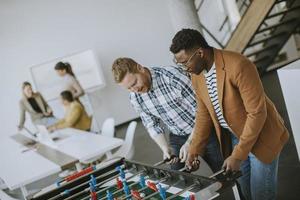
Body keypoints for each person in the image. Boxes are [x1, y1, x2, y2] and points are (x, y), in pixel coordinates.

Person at [169, 28, 289, 200]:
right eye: (179, 63)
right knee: (246, 193)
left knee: (261, 195)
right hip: (235, 136)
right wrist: (195, 150)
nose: (184, 68)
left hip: (261, 136)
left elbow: (257, 113)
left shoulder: (239, 64)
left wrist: (237, 155)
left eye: (185, 62)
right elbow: (204, 114)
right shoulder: (197, 76)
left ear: (200, 53)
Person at [112, 57, 223, 171]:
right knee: (177, 174)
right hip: (177, 133)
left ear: (140, 68)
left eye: (134, 83)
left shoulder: (172, 77)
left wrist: (191, 142)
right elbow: (151, 124)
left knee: (221, 170)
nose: (135, 90)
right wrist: (164, 147)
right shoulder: (135, 97)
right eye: (129, 88)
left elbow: (203, 111)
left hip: (205, 129)